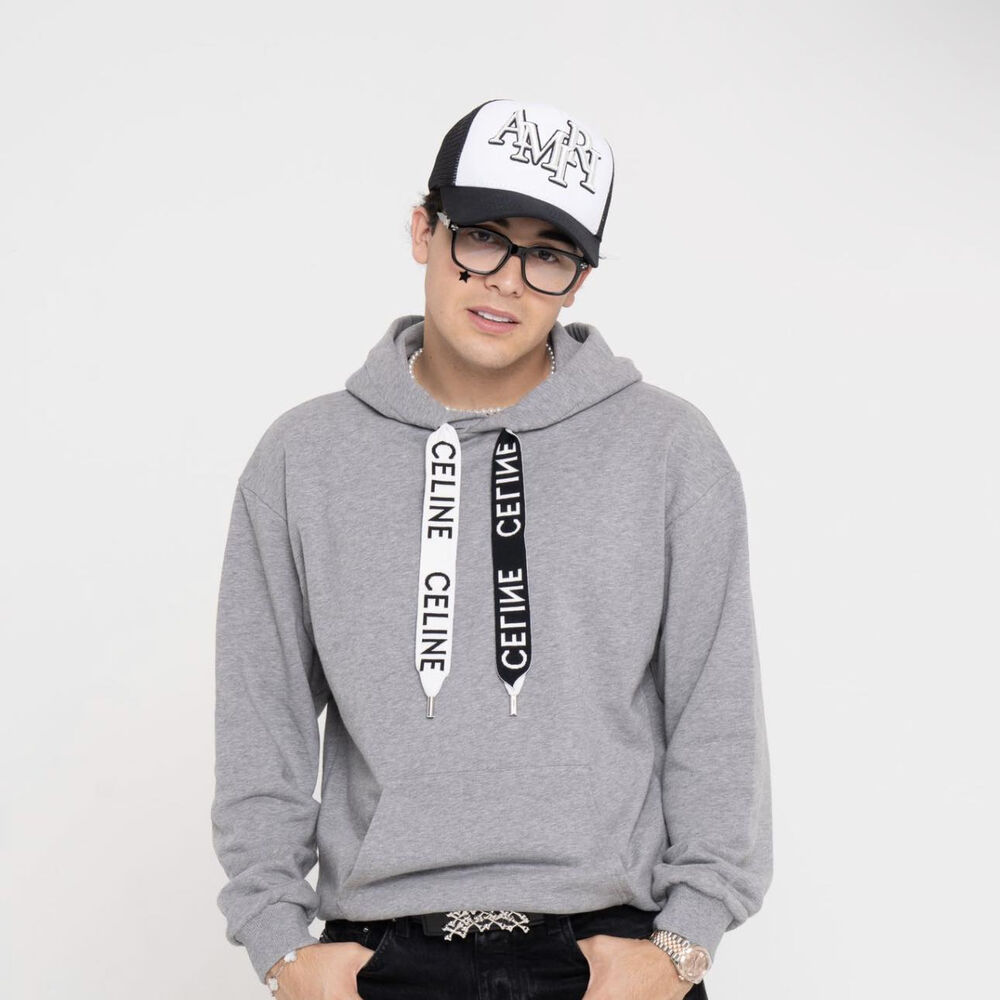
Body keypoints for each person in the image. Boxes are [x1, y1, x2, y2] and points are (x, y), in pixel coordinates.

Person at [211, 98, 773, 1000]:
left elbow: (716, 713)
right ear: (422, 231)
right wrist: (281, 946)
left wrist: (681, 946)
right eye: (480, 238)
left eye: (547, 254)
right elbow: (260, 720)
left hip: (612, 956)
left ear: (577, 280)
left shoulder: (667, 449)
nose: (507, 281)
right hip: (380, 958)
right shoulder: (303, 457)